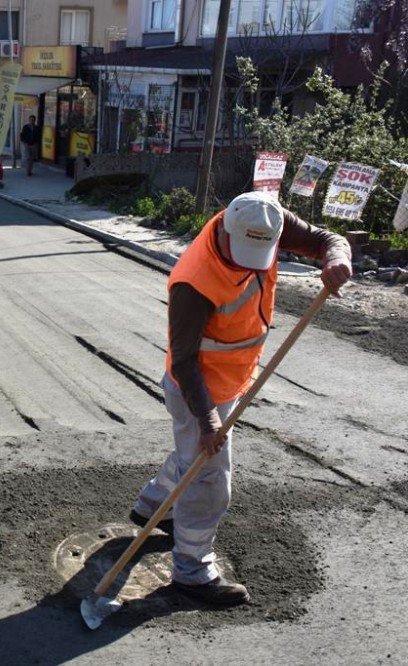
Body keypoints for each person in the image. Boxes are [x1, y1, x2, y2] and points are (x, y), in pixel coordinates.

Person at [131, 191, 351, 607]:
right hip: (198, 390)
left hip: (230, 378)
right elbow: (184, 361)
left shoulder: (265, 217)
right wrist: (210, 421)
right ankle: (192, 570)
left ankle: (152, 505)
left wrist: (337, 257)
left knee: (190, 454)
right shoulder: (194, 282)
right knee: (211, 479)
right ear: (227, 229)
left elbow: (326, 238)